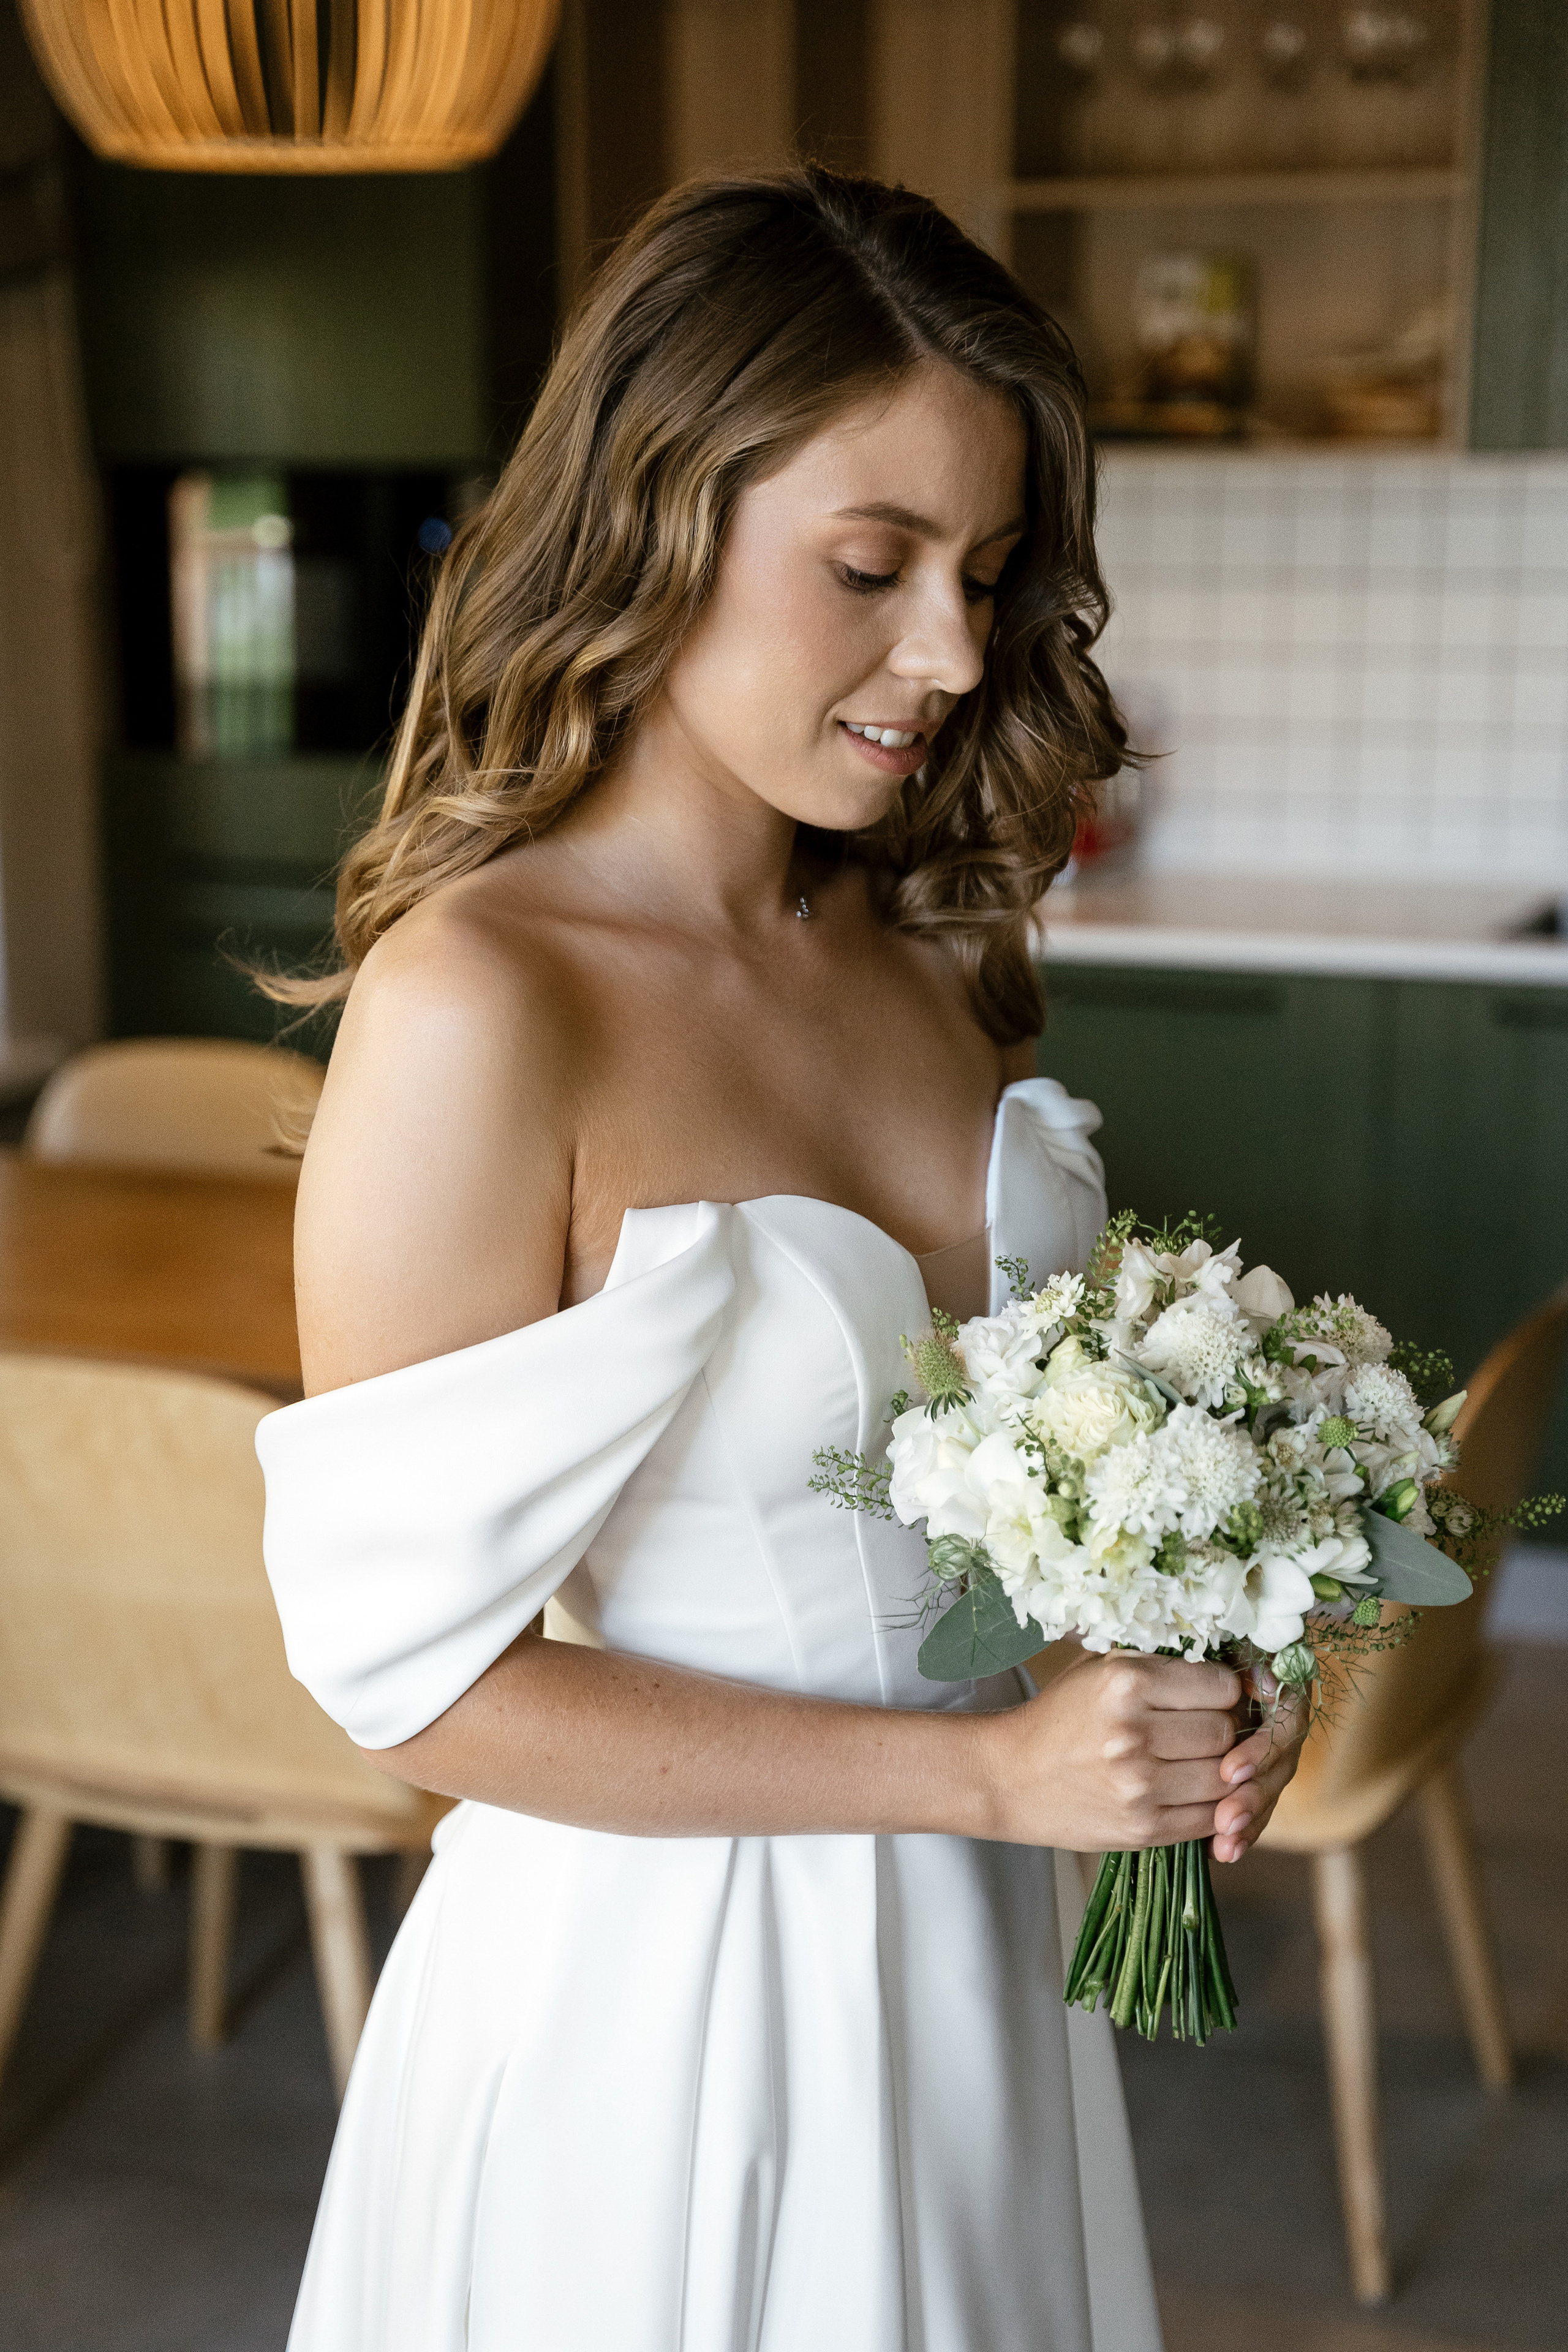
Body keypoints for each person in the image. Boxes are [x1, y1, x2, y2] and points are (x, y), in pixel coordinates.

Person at [258, 165, 1306, 2352]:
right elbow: (414, 1685)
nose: (948, 654)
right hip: (658, 2021)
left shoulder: (943, 946)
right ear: (657, 513)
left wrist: (1191, 1676)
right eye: (871, 565)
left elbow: (1032, 1478)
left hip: (983, 1986)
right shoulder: (482, 1006)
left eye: (989, 575)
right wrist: (989, 1778)